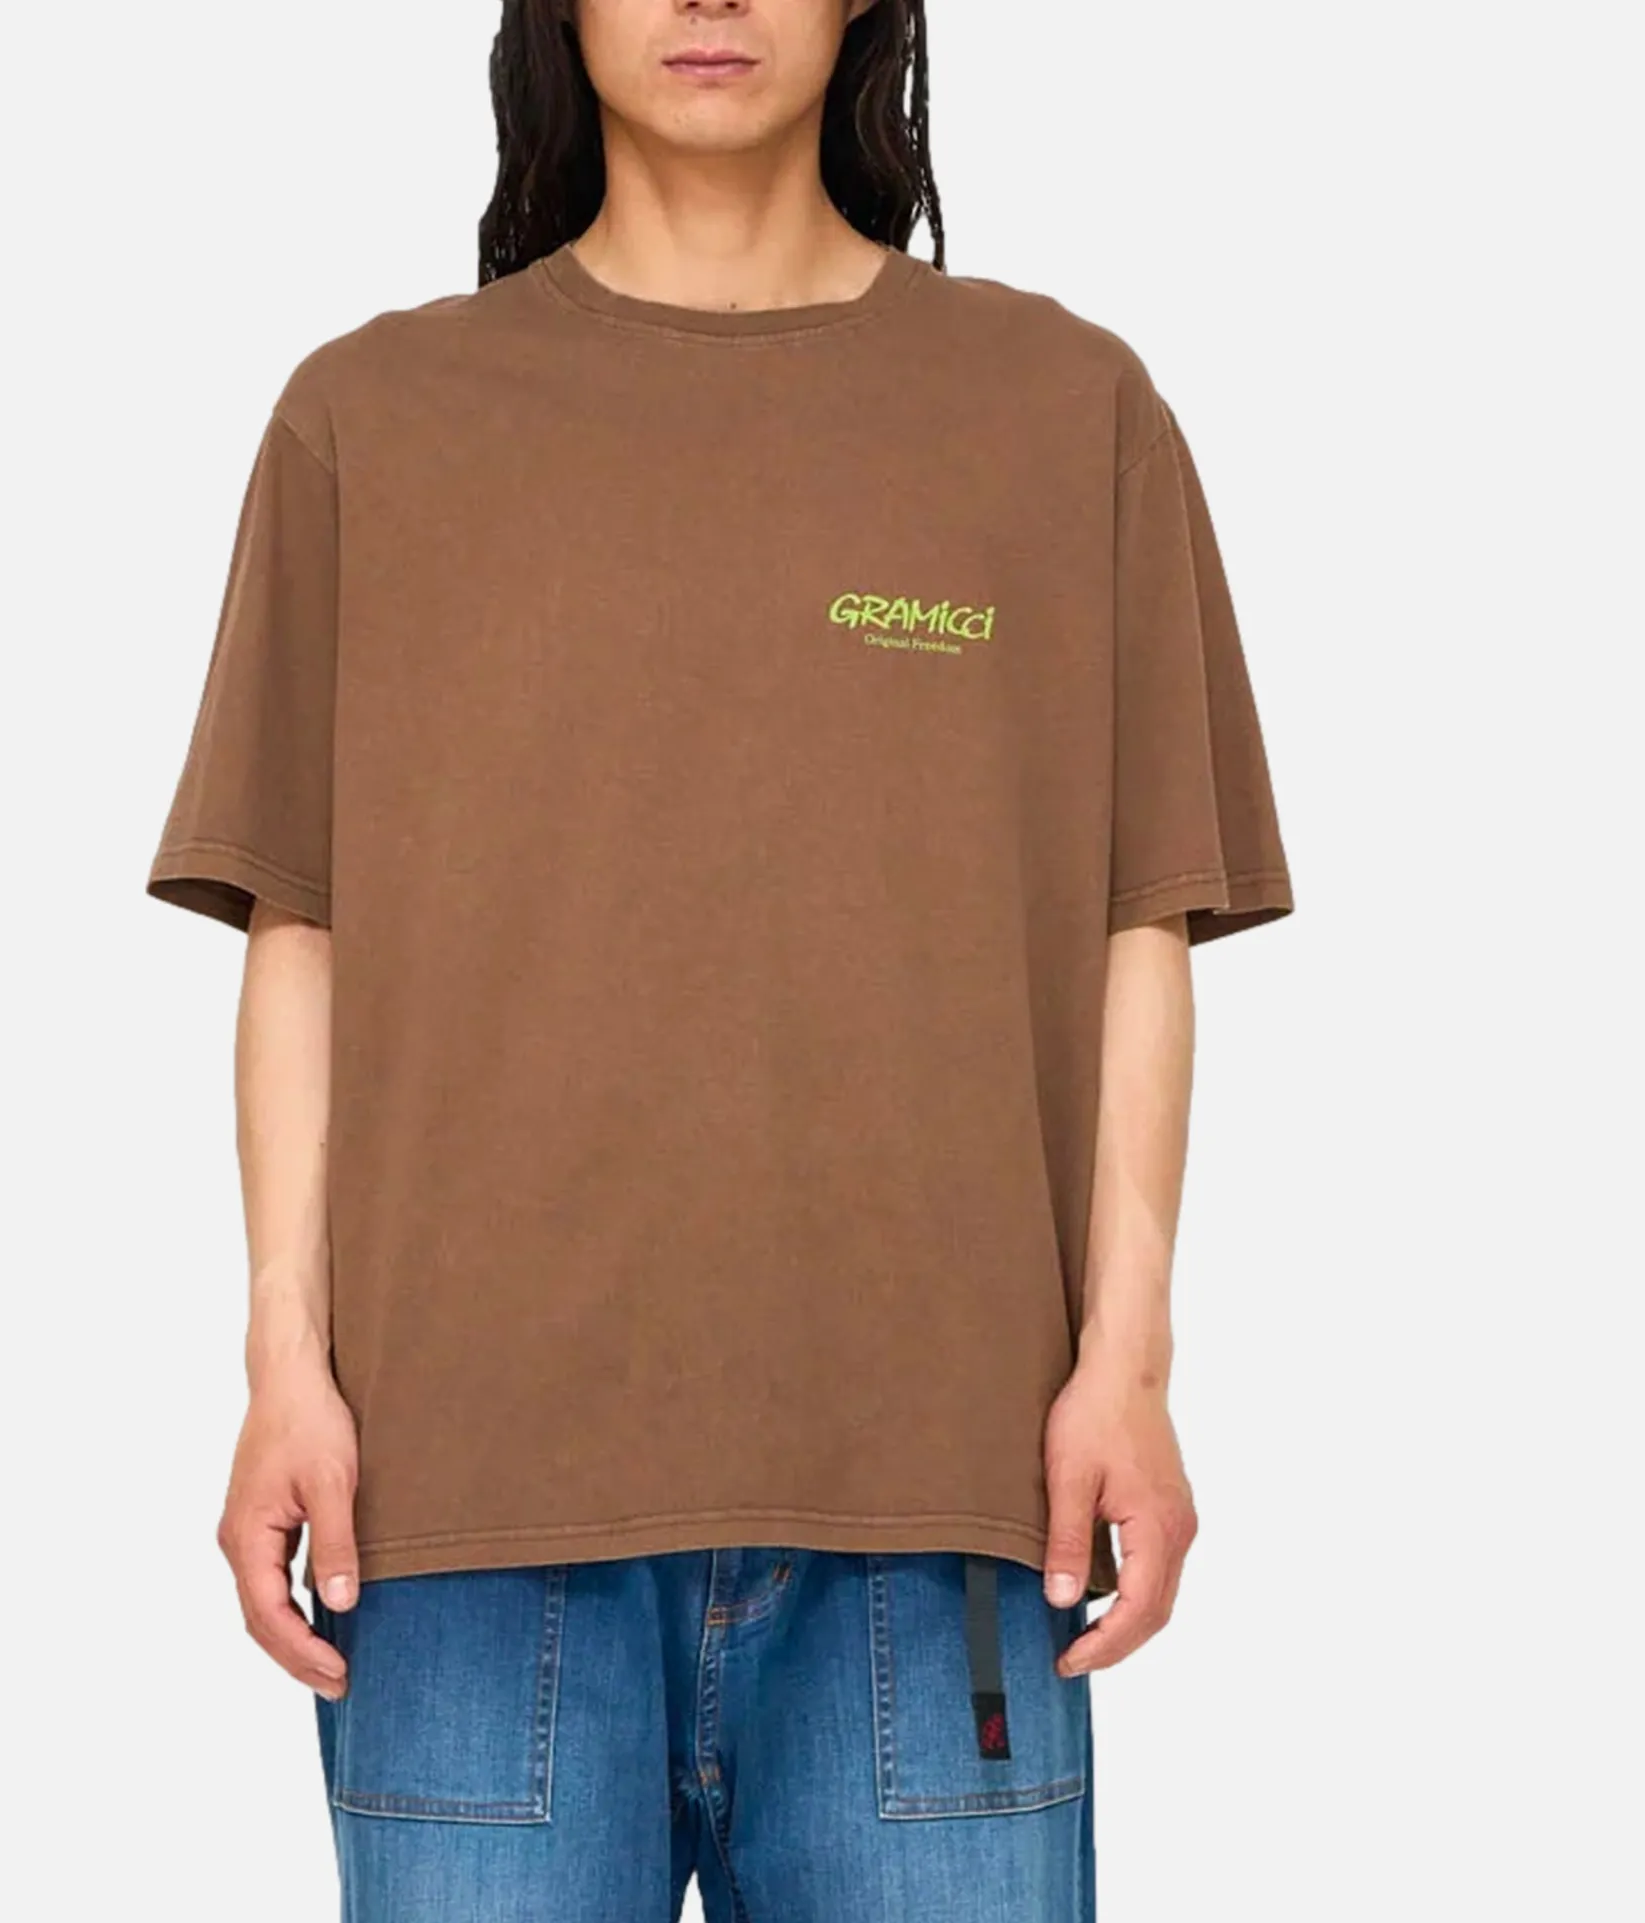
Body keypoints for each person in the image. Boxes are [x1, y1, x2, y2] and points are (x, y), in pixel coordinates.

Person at [145, 1, 1293, 1916]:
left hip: (943, 1512)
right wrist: (281, 1362)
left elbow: (1138, 925)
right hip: (457, 1524)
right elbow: (300, 930)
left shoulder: (1059, 408)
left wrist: (1133, 1364)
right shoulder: (372, 420)